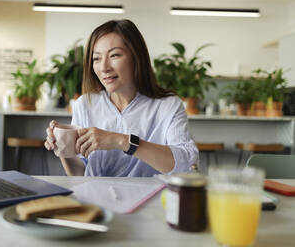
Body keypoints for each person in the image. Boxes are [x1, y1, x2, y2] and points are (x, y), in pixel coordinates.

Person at [45, 19, 198, 177]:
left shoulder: (168, 106)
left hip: (150, 199)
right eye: (96, 58)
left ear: (136, 57)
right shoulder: (85, 104)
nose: (104, 67)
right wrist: (63, 147)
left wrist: (120, 141)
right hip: (97, 199)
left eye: (114, 55)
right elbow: (80, 173)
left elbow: (188, 164)